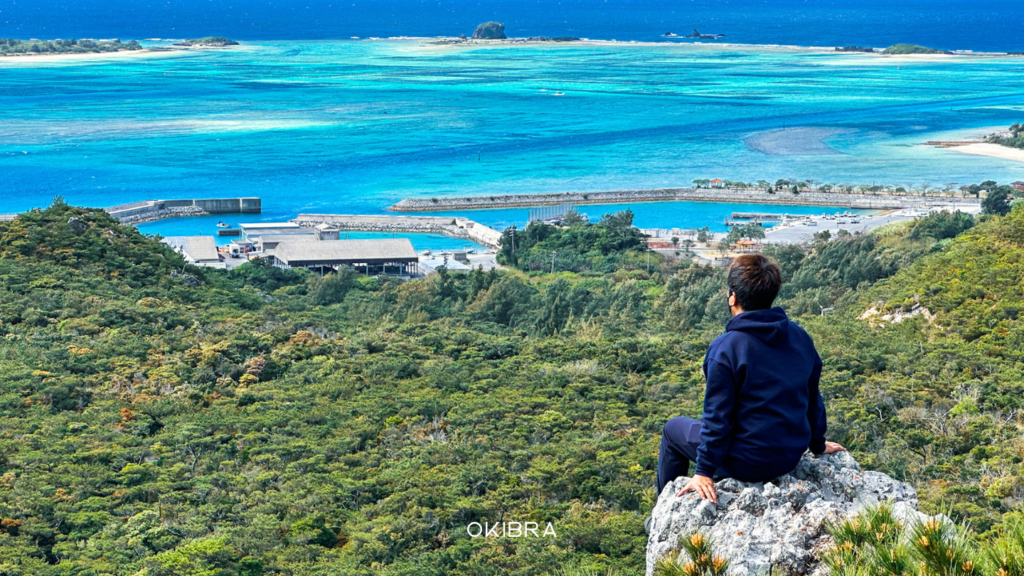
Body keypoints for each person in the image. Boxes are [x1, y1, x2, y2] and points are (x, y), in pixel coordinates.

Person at [658, 254, 846, 505]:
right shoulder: (800, 336)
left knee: (672, 429)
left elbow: (717, 418)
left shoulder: (727, 348)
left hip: (747, 462)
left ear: (732, 297)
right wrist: (818, 444)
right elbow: (812, 397)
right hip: (789, 456)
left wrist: (703, 471)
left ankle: (663, 505)